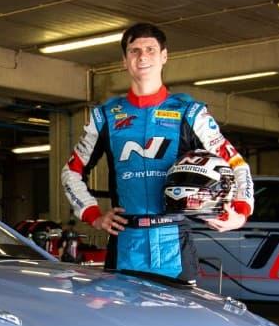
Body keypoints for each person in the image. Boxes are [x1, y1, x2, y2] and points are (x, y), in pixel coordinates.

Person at [60, 23, 253, 280]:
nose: (142, 57)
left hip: (175, 242)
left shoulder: (190, 113)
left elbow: (236, 163)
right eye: (134, 51)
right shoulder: (105, 116)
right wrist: (93, 215)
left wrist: (240, 211)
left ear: (164, 56)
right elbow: (71, 171)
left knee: (180, 309)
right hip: (125, 243)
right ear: (124, 61)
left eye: (150, 49)